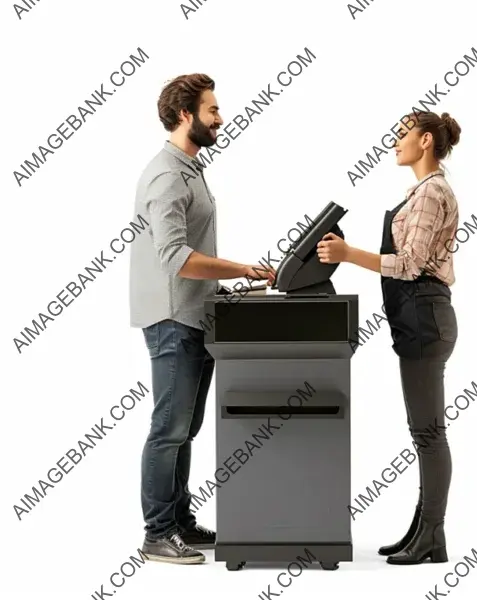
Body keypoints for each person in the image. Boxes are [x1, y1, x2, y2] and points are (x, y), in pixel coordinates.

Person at [129, 73, 275, 565]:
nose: (220, 117)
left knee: (185, 430)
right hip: (173, 319)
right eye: (212, 110)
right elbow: (175, 256)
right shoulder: (168, 174)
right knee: (169, 428)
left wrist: (226, 286)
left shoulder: (190, 168)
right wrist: (241, 267)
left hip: (195, 314)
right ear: (186, 115)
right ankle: (157, 533)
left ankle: (181, 522)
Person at [317, 110, 461, 566]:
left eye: (402, 135)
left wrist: (347, 253)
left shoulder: (431, 193)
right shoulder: (420, 193)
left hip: (425, 317)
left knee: (429, 433)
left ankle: (432, 535)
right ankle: (425, 532)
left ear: (425, 141)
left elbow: (412, 264)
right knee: (424, 432)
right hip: (419, 317)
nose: (395, 142)